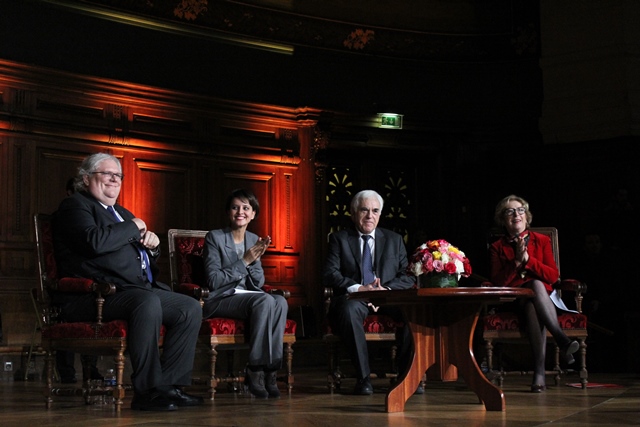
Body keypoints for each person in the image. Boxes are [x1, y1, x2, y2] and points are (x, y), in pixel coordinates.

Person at [53, 153, 203, 411]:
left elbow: (137, 253)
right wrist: (135, 226)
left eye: (118, 175)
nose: (114, 179)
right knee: (145, 302)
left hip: (133, 290)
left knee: (188, 308)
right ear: (86, 178)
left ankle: (170, 386)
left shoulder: (121, 213)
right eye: (106, 173)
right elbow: (94, 242)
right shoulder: (76, 206)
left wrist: (152, 246)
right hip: (93, 296)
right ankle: (147, 391)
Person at [323, 189, 415, 395]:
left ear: (380, 214)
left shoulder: (394, 239)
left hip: (387, 296)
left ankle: (406, 375)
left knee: (413, 311)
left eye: (375, 211)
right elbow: (330, 273)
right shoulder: (339, 239)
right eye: (364, 210)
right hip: (354, 298)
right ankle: (363, 378)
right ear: (354, 213)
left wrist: (386, 290)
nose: (369, 216)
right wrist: (359, 288)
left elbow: (408, 276)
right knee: (349, 310)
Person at [202, 188, 287, 399]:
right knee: (265, 300)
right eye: (235, 207)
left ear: (253, 213)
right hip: (221, 298)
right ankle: (255, 368)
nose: (240, 211)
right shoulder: (215, 237)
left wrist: (256, 259)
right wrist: (245, 261)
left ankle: (271, 370)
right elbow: (213, 281)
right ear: (228, 212)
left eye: (246, 208)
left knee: (280, 302)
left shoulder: (253, 239)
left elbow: (258, 282)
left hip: (250, 297)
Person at [489, 194, 579, 392]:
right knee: (533, 288)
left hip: (542, 300)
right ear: (502, 219)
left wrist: (528, 260)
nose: (516, 214)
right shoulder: (497, 247)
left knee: (535, 292)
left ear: (526, 216)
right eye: (510, 211)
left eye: (520, 210)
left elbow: (553, 276)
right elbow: (498, 282)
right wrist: (516, 263)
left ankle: (539, 374)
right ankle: (561, 339)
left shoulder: (542, 240)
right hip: (513, 299)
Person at [56, 177, 102, 384]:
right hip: (67, 281)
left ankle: (91, 367)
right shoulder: (65, 215)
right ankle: (67, 372)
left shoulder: (95, 217)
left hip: (94, 279)